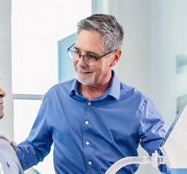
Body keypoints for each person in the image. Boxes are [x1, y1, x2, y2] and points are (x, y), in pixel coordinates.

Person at [15, 14, 166, 173]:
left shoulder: (138, 105)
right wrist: (3, 153)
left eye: (91, 56)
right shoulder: (55, 97)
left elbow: (169, 159)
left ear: (114, 58)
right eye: (77, 52)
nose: (80, 62)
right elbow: (35, 148)